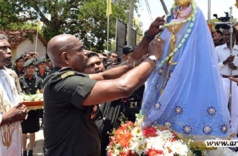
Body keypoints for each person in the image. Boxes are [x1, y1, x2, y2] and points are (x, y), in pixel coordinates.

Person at [141, 0, 234, 148]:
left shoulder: (195, 14)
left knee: (185, 100)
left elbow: (196, 41)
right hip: (167, 65)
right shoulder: (170, 15)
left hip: (187, 64)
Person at [41, 17, 165, 156]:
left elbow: (105, 75)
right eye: (80, 49)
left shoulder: (65, 77)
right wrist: (153, 58)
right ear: (66, 58)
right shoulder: (64, 83)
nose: (86, 52)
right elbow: (124, 87)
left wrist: (147, 38)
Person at [215, 27, 238, 141]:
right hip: (223, 80)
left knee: (235, 110)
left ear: (234, 36)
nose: (226, 37)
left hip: (237, 81)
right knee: (222, 109)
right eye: (224, 35)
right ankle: (220, 136)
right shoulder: (218, 49)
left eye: (229, 35)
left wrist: (236, 67)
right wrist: (225, 62)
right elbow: (213, 66)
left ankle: (233, 137)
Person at [19, 58, 44, 156]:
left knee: (33, 130)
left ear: (35, 69)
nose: (30, 70)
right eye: (28, 68)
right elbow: (19, 93)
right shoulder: (21, 80)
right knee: (24, 131)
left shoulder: (38, 80)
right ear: (25, 69)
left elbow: (41, 92)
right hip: (24, 110)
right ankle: (24, 151)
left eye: (32, 68)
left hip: (35, 109)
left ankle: (31, 151)